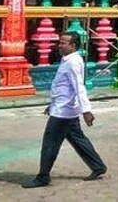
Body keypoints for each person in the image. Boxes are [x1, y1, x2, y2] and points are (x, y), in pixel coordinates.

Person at [25, 32, 106, 188]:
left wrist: (86, 110)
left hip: (63, 113)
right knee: (78, 140)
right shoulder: (68, 60)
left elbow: (78, 86)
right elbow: (63, 87)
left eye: (63, 43)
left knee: (50, 144)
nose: (60, 46)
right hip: (64, 108)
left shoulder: (73, 62)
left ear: (73, 46)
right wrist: (52, 104)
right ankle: (97, 166)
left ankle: (43, 177)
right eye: (60, 42)